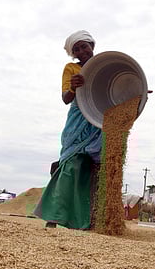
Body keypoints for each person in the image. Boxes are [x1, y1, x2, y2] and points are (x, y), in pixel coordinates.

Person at [33, 30, 102, 229]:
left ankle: (90, 221)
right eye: (76, 49)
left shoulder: (105, 65)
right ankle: (53, 216)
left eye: (84, 46)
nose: (81, 51)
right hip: (79, 120)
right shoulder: (71, 68)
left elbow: (118, 86)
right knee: (71, 166)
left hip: (100, 121)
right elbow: (65, 99)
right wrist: (73, 86)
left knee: (95, 169)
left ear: (92, 45)